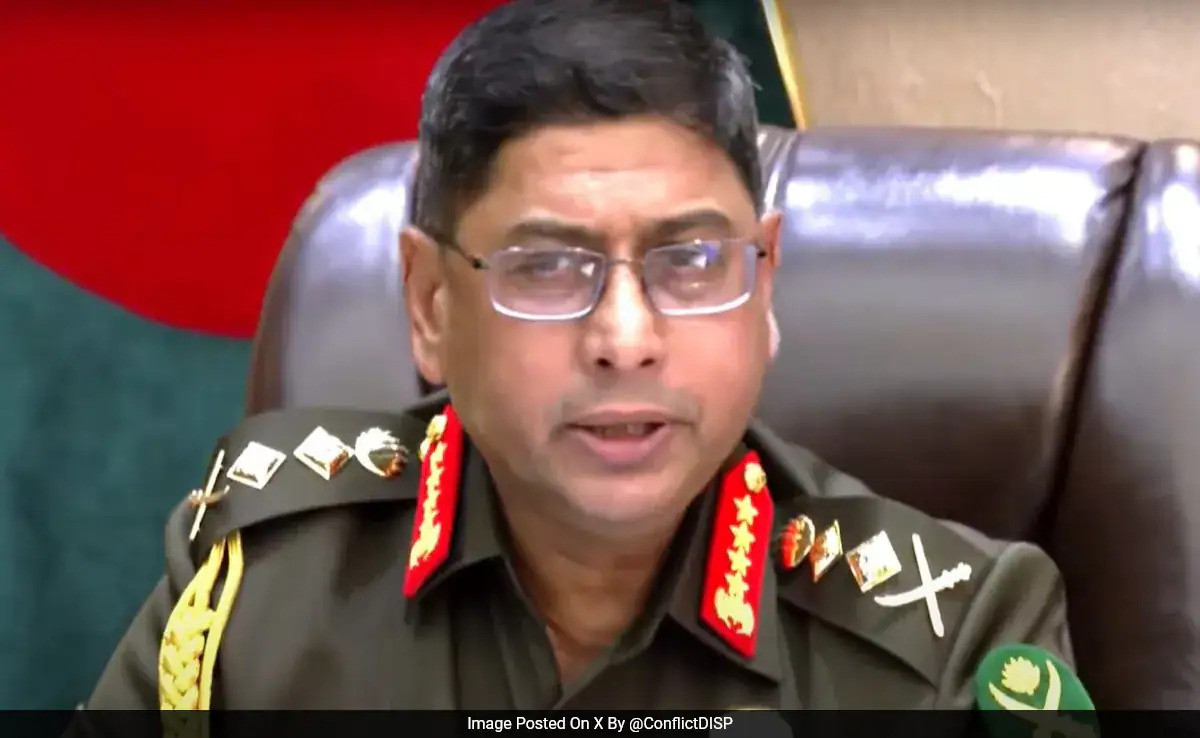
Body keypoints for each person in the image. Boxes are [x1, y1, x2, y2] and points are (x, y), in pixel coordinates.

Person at [81, 0, 1073, 710]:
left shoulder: (950, 644)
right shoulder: (265, 585)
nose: (626, 341)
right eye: (550, 269)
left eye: (692, 261)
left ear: (764, 281)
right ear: (430, 305)